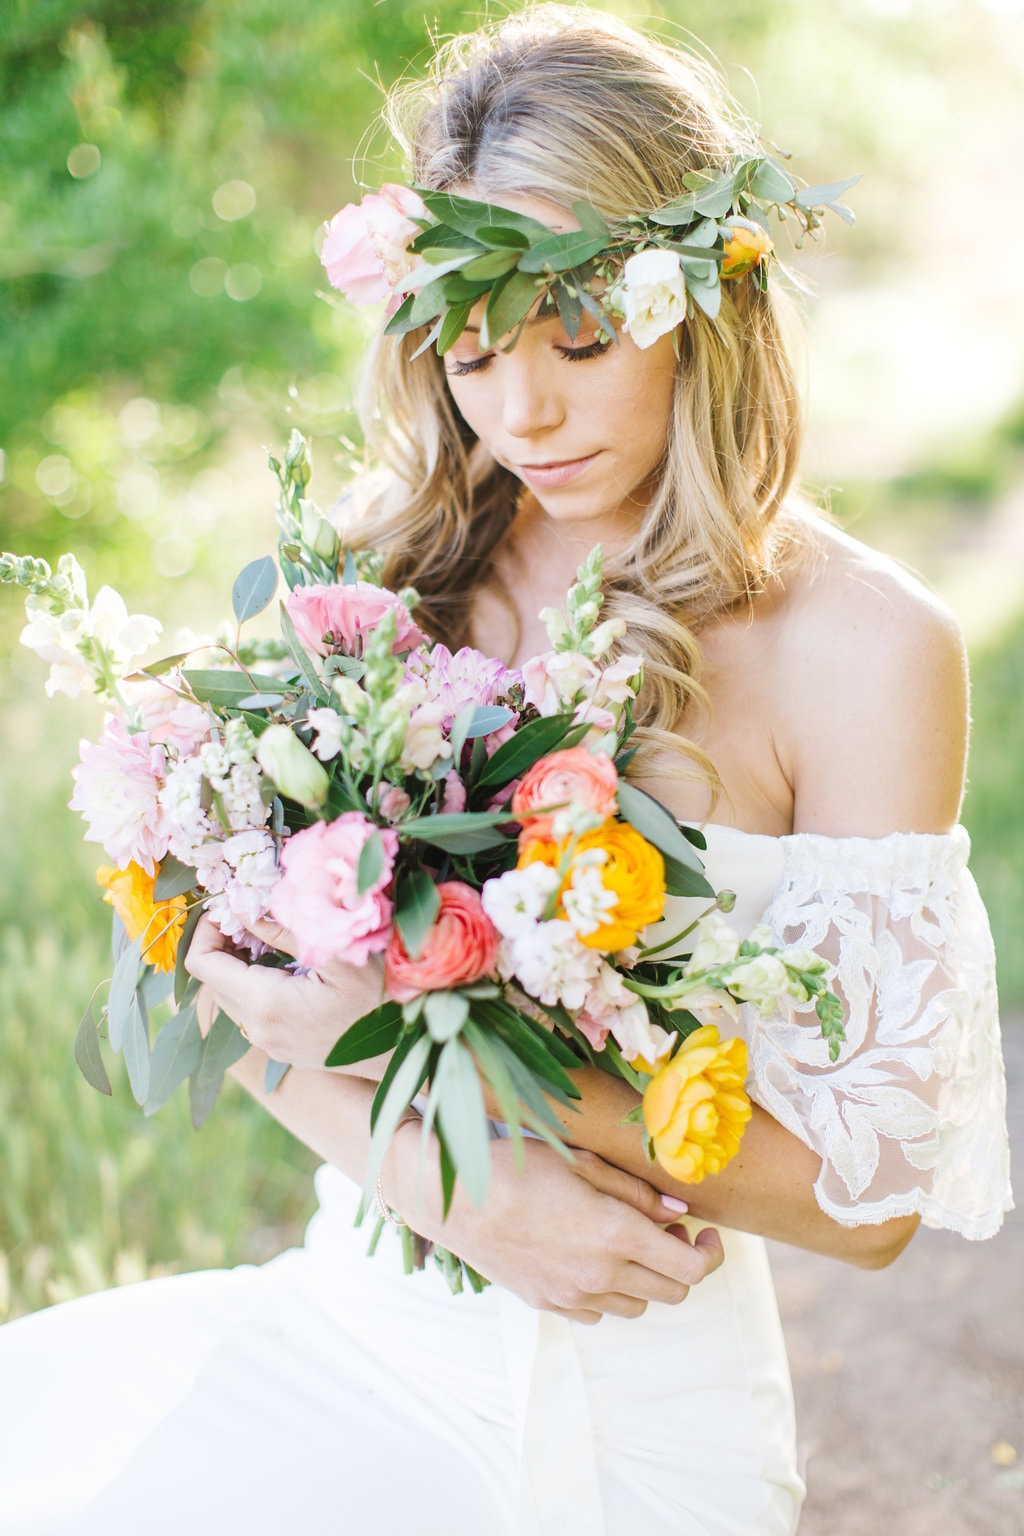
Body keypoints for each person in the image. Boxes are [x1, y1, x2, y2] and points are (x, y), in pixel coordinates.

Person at [0, 7, 1011, 1534]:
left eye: (582, 337)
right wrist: (437, 1176)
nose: (524, 409)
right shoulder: (386, 572)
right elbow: (219, 956)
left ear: (706, 302)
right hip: (359, 1316)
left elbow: (864, 1201)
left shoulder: (867, 652)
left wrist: (526, 1135)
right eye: (472, 350)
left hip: (630, 1389)